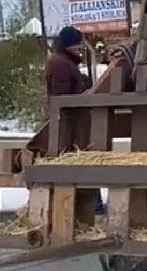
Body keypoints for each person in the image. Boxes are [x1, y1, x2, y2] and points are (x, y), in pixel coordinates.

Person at [45, 25, 104, 214]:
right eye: (76, 45)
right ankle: (91, 207)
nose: (79, 48)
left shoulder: (65, 62)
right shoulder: (61, 64)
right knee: (80, 163)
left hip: (72, 125)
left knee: (82, 163)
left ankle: (89, 206)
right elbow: (62, 98)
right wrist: (82, 94)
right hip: (70, 126)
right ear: (67, 45)